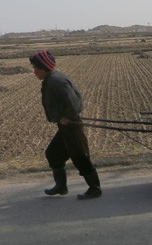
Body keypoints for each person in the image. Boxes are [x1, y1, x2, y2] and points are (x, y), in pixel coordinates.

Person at [29, 50, 102, 199]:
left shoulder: (56, 81)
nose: (34, 72)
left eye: (36, 68)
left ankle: (95, 188)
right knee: (53, 154)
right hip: (66, 125)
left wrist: (68, 117)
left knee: (80, 156)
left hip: (71, 125)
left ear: (44, 68)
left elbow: (75, 102)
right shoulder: (52, 79)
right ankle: (61, 186)